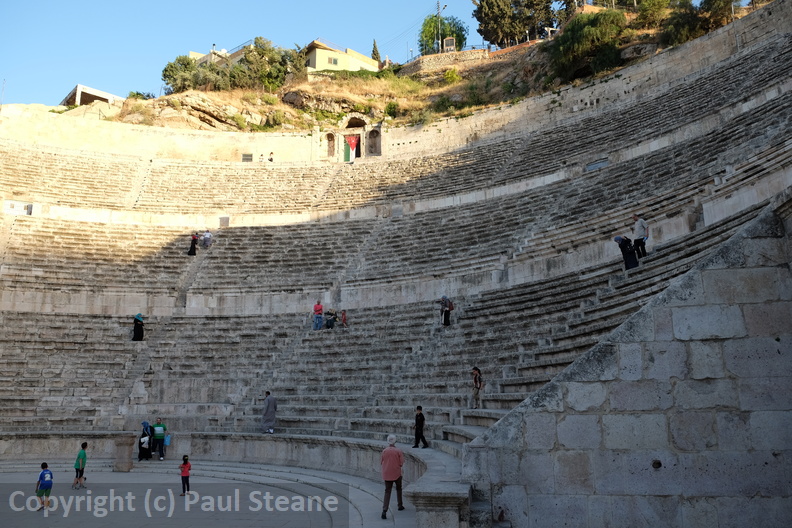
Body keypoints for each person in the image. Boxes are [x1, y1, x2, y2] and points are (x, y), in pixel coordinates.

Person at [380, 434, 405, 519]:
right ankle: (400, 505)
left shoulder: (384, 451)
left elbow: (381, 461)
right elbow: (401, 463)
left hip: (387, 473)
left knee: (387, 491)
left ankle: (384, 510)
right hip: (397, 473)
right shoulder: (398, 451)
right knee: (399, 488)